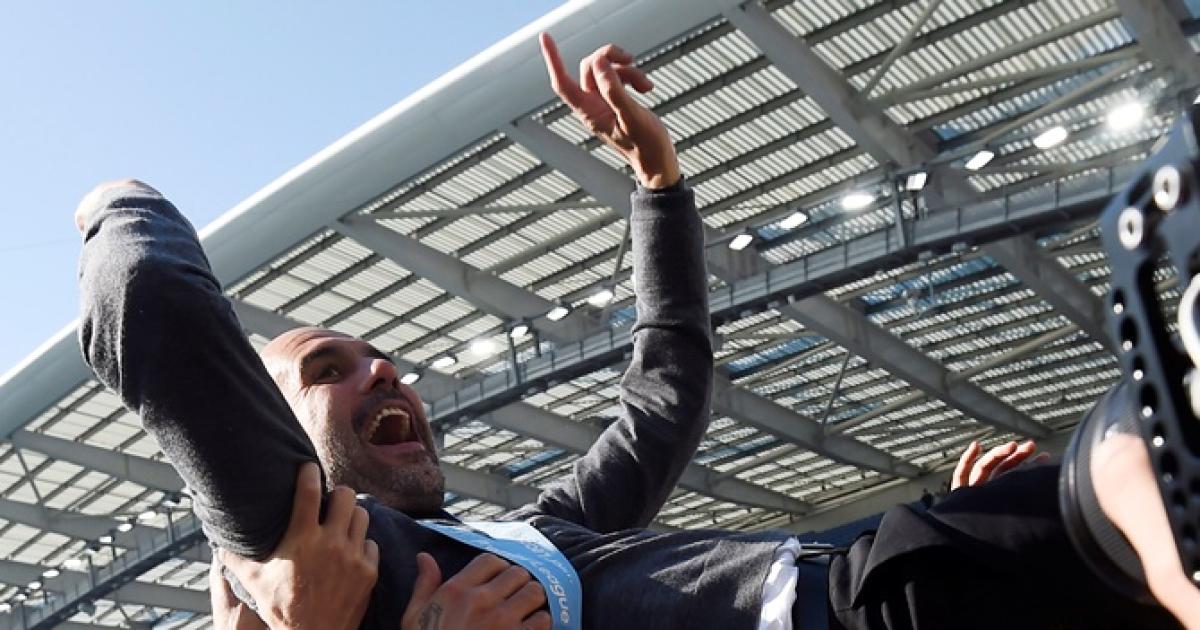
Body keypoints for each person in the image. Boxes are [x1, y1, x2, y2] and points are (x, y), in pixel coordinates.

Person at [75, 32, 1185, 629]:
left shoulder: (537, 538)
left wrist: (656, 178)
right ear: (276, 429)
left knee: (1128, 484)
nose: (385, 368)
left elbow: (667, 385)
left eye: (378, 353)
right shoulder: (303, 550)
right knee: (1135, 460)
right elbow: (147, 296)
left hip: (868, 577)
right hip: (855, 605)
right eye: (329, 368)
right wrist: (107, 198)